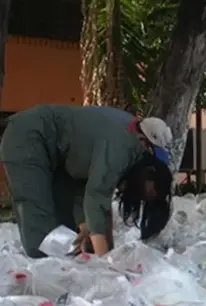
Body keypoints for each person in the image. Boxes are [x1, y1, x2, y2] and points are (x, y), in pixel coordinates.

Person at [0, 105, 174, 258]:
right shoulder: (122, 146)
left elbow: (85, 186)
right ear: (144, 143)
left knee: (68, 234)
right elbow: (97, 196)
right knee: (41, 232)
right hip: (30, 138)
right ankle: (41, 277)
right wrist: (105, 263)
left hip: (58, 158)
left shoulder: (129, 139)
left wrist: (86, 227)